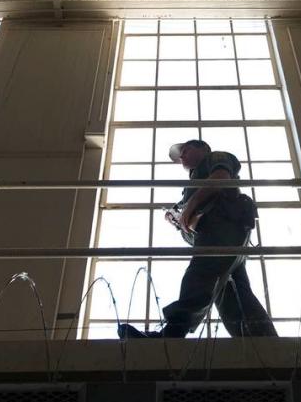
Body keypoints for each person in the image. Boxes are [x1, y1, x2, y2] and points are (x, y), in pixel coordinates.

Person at [118, 139, 278, 339]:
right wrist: (180, 215)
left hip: (223, 226)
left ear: (203, 148)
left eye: (186, 150)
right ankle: (262, 341)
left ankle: (173, 331)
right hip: (221, 231)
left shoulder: (216, 157)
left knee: (201, 274)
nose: (182, 156)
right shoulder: (193, 183)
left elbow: (221, 177)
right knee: (231, 293)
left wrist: (190, 206)